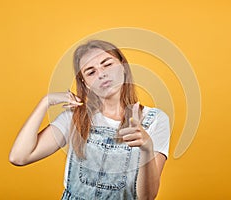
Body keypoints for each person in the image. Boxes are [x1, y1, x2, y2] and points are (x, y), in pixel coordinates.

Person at [9, 39, 170, 200]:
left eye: (107, 64)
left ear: (124, 68)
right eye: (91, 72)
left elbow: (147, 197)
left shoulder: (156, 120)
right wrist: (45, 102)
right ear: (85, 84)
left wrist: (146, 148)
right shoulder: (74, 118)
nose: (102, 74)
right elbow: (19, 157)